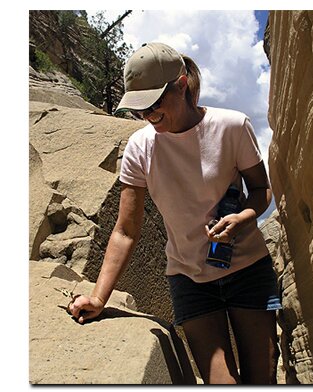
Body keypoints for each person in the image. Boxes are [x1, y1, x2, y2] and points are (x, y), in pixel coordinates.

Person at [69, 42, 282, 384]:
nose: (147, 115)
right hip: (189, 278)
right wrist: (98, 297)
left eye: (154, 104)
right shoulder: (140, 147)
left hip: (248, 270)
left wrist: (242, 219)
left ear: (182, 85)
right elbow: (125, 230)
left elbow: (261, 189)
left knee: (262, 379)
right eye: (139, 109)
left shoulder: (232, 126)